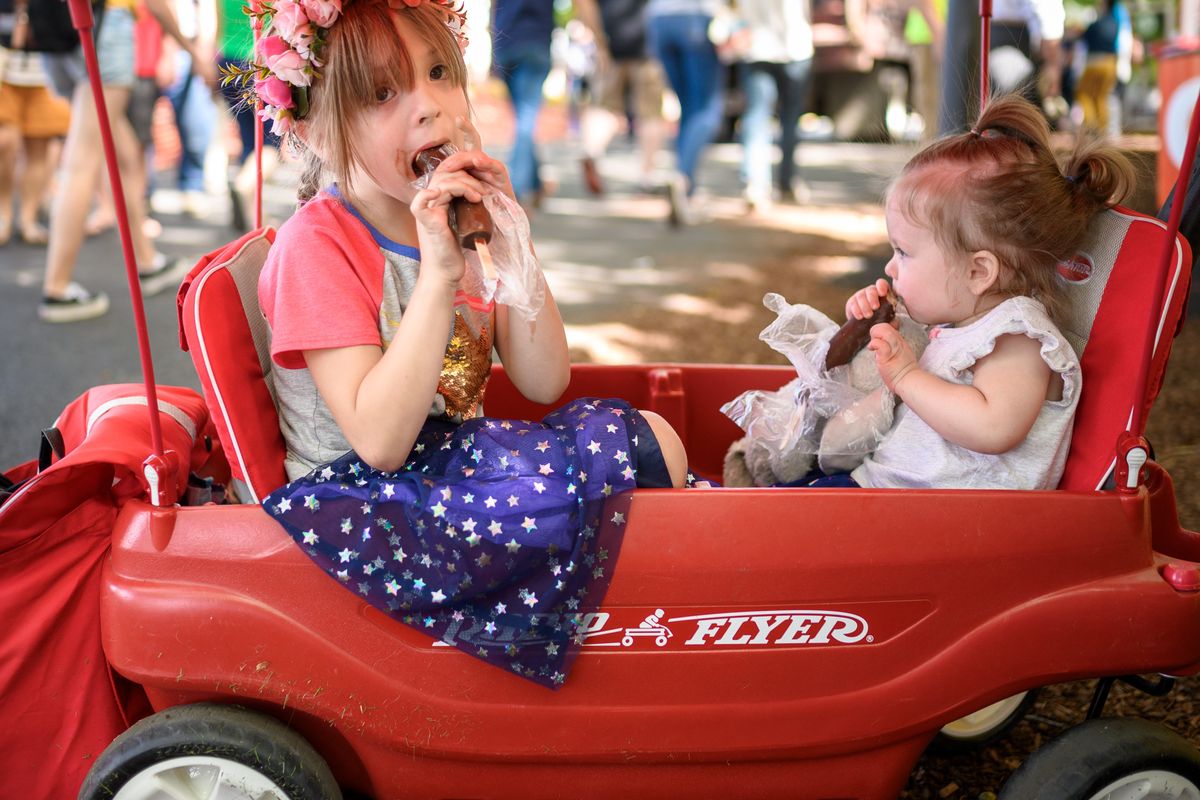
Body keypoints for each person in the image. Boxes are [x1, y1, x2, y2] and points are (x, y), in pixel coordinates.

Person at [228, 0, 688, 687]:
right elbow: (380, 443)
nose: (429, 106)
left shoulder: (447, 223)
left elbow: (543, 380)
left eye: (440, 73)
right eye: (385, 92)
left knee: (651, 437)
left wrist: (512, 241)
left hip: (451, 472)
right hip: (363, 505)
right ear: (322, 131)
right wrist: (440, 277)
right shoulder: (318, 248)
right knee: (643, 460)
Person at [829, 94, 1134, 489]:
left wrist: (905, 375)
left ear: (978, 271)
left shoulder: (1018, 337)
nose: (890, 267)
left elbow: (993, 427)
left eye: (903, 252)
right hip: (894, 498)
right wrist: (877, 323)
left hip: (945, 526)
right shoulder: (965, 319)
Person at [38, 0, 213, 323]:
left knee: (124, 153)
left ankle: (146, 260)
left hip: (56, 33)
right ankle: (57, 289)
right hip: (102, 27)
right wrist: (191, 49)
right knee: (84, 159)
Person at [572, 0, 666, 197]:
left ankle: (591, 150)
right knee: (650, 113)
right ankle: (647, 178)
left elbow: (585, 4)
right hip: (649, 42)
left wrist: (599, 42)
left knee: (605, 106)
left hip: (612, 41)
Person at [645, 0, 723, 226]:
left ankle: (687, 192)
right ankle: (682, 176)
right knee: (707, 111)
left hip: (660, 22)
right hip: (695, 20)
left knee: (688, 109)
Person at [0, 0, 71, 246]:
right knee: (5, 142)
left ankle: (27, 218)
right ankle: (4, 214)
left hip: (45, 61)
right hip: (5, 60)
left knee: (39, 147)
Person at [735, 0, 813, 212]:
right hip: (793, 46)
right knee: (789, 118)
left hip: (759, 47)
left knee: (757, 115)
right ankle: (786, 181)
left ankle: (756, 183)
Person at [215, 0, 280, 231]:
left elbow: (216, 22)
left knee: (249, 138)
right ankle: (246, 186)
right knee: (273, 141)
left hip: (227, 61)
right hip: (261, 60)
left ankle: (254, 215)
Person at [489, 0, 553, 208]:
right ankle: (518, 189)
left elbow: (494, 7)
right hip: (536, 43)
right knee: (525, 119)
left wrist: (493, 53)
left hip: (508, 43)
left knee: (523, 119)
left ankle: (534, 184)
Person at [1076, 0, 1120, 132]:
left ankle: (1091, 129)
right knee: (1101, 96)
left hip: (1094, 63)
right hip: (1111, 64)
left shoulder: (1097, 24)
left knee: (1084, 94)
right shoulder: (1115, 23)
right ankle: (1103, 129)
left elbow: (1084, 37)